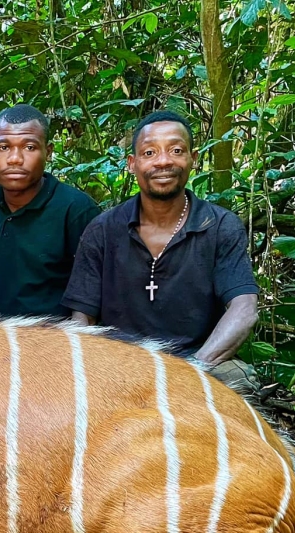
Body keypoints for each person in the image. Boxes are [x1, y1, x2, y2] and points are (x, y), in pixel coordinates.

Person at [61, 110, 259, 386]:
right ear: (132, 163)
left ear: (193, 158)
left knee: (238, 378)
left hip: (195, 365)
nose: (163, 161)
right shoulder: (103, 229)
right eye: (150, 153)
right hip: (119, 367)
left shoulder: (219, 225)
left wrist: (192, 369)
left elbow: (244, 307)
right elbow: (82, 318)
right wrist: (96, 370)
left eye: (176, 150)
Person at [0, 104, 101, 317]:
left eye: (29, 147)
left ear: (48, 152)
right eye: (3, 147)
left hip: (53, 340)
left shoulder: (76, 209)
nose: (15, 159)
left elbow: (88, 296)